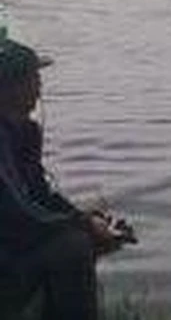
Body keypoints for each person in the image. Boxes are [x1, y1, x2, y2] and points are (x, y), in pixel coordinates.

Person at [0, 31, 134, 320]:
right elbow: (18, 212)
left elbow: (40, 195)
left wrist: (86, 219)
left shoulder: (23, 131)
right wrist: (83, 226)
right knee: (71, 246)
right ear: (10, 88)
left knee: (79, 232)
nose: (39, 88)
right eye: (33, 79)